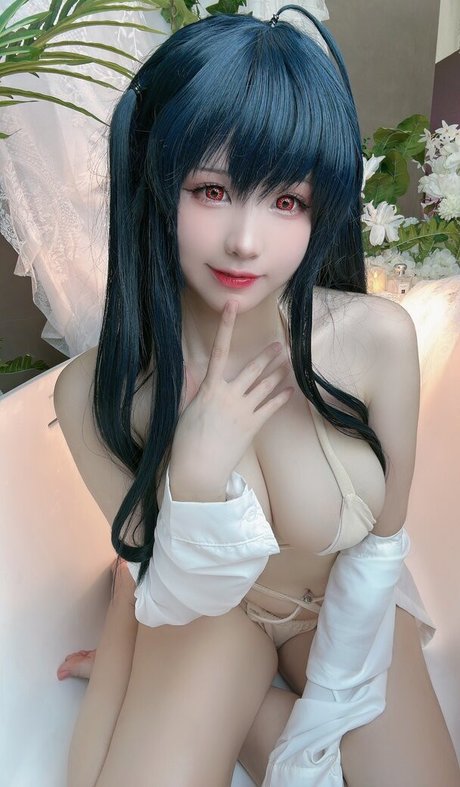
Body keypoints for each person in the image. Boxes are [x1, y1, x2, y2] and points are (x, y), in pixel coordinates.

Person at [53, 7, 460, 787]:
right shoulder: (97, 392)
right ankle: (190, 682)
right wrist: (197, 478)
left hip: (344, 603)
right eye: (211, 190)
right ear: (156, 181)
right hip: (203, 615)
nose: (245, 241)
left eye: (286, 201)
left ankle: (247, 712)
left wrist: (314, 734)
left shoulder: (375, 340)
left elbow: (379, 549)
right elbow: (167, 590)